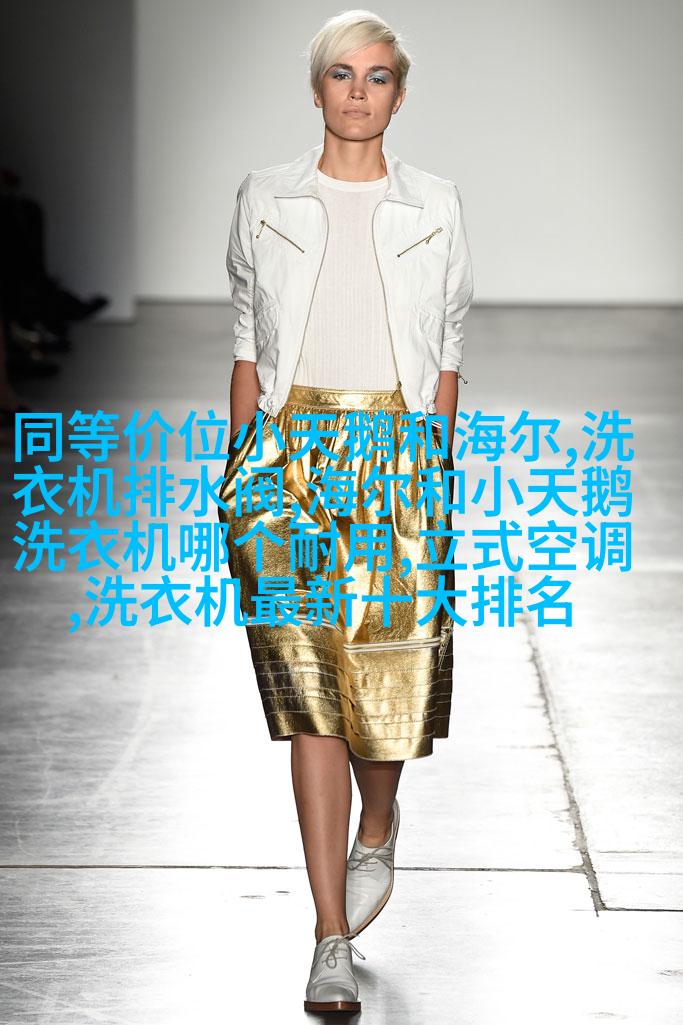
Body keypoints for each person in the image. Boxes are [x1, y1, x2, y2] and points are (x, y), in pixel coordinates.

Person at [218, 9, 473, 1014]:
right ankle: (328, 933)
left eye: (376, 77)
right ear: (315, 86)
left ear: (399, 95)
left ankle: (378, 821)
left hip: (396, 456)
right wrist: (239, 473)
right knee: (307, 699)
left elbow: (446, 345)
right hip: (286, 459)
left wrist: (432, 472)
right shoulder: (264, 195)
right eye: (340, 74)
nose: (357, 92)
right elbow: (247, 341)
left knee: (384, 691)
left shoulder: (435, 204)